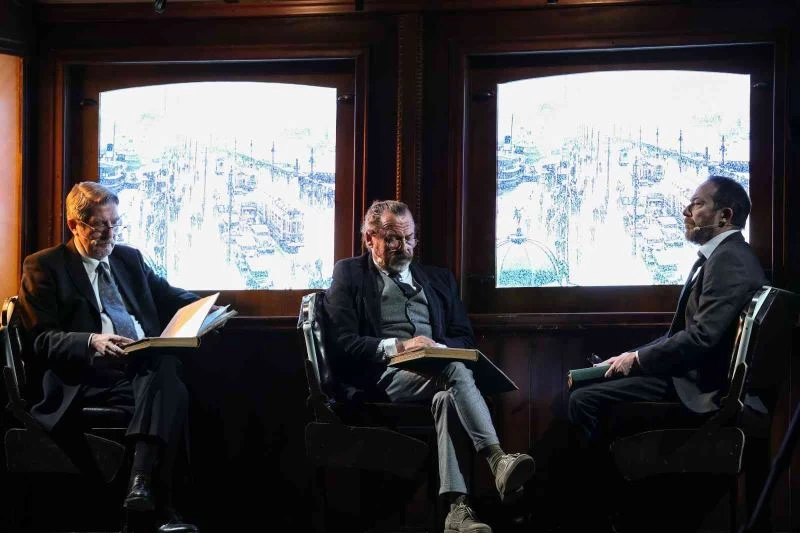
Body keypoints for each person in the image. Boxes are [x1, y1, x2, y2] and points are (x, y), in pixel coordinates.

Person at [567, 175, 767, 529]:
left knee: (584, 401)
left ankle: (601, 516)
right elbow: (680, 335)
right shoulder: (724, 256)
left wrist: (637, 360)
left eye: (697, 204)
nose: (686, 211)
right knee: (588, 389)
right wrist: (628, 356)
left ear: (725, 215)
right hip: (691, 377)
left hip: (701, 389)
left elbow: (702, 338)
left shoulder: (730, 260)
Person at [324, 199, 535, 533]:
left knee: (447, 397)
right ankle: (497, 460)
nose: (403, 247)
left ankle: (457, 510)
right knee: (454, 370)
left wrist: (437, 349)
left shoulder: (439, 279)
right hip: (382, 376)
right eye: (392, 239)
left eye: (409, 238)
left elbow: (464, 337)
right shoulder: (349, 274)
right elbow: (342, 342)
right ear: (369, 239)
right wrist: (399, 346)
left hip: (435, 374)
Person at [18, 181, 203, 533]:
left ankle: (141, 489)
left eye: (116, 223)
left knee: (164, 368)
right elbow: (39, 339)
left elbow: (168, 294)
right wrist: (91, 341)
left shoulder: (128, 258)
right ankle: (162, 509)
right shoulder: (45, 266)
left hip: (138, 367)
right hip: (87, 376)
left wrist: (206, 310)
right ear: (74, 225)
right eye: (100, 225)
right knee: (172, 389)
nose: (110, 233)